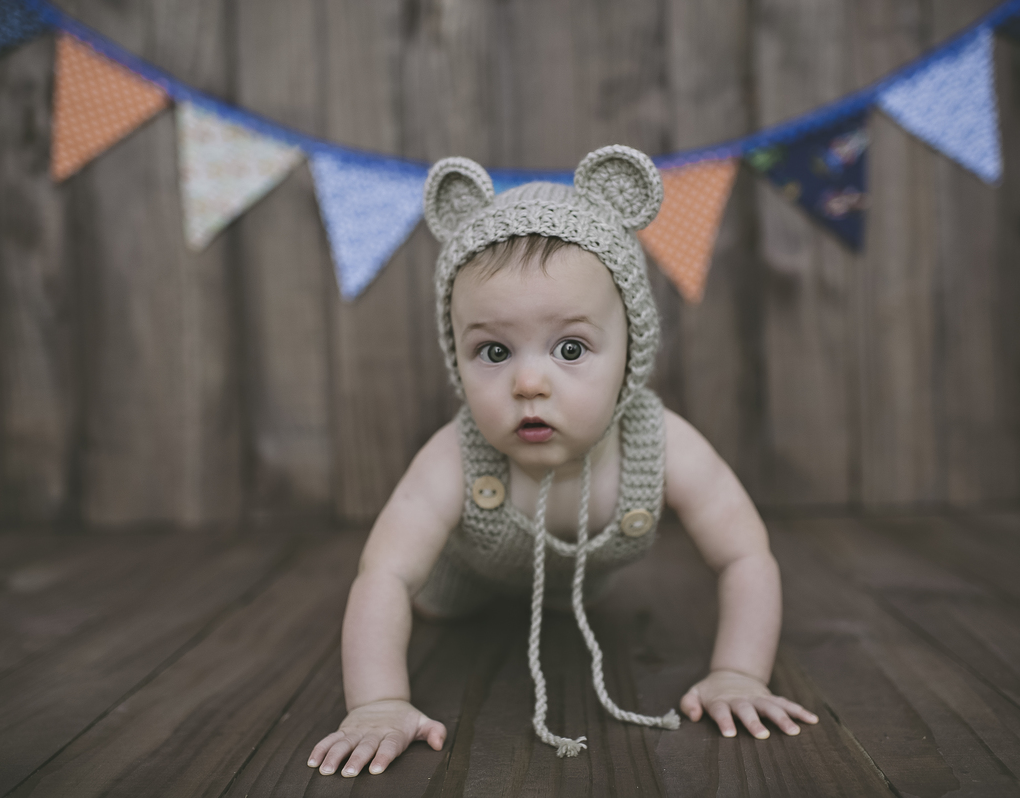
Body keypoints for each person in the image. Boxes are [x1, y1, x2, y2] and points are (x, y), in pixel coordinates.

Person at [308, 145, 818, 778]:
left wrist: (738, 673)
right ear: (456, 358)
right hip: (459, 587)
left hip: (580, 591)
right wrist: (378, 703)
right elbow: (382, 573)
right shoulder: (456, 457)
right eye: (493, 352)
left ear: (630, 348)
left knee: (575, 611)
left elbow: (745, 554)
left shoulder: (659, 442)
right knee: (432, 604)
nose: (528, 382)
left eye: (570, 347)